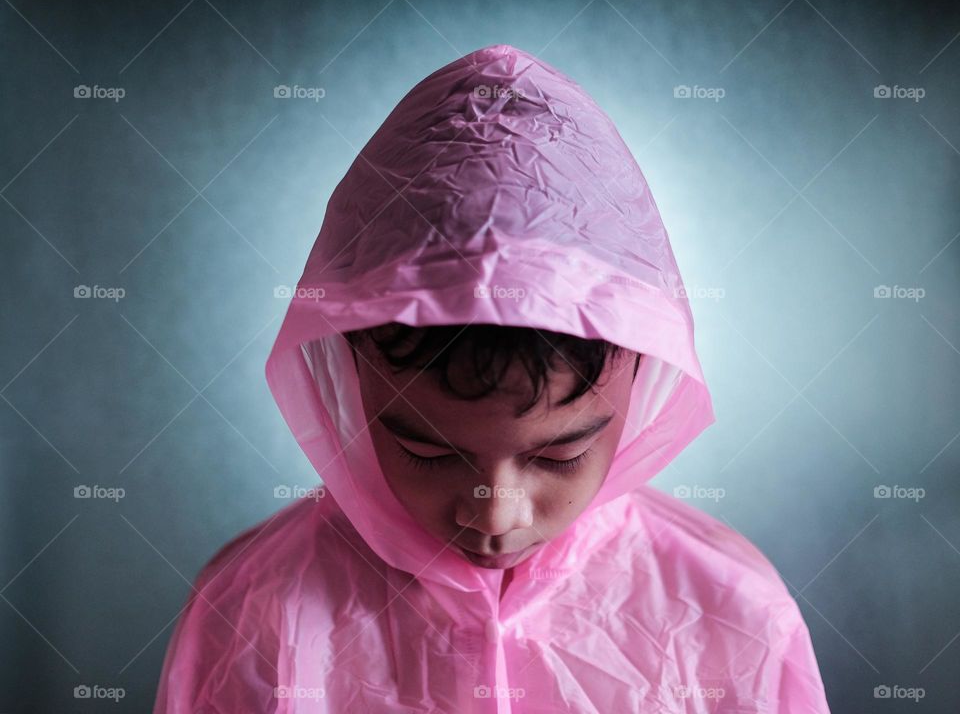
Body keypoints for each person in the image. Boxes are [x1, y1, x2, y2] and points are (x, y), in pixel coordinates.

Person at [153, 44, 831, 713]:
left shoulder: (731, 614)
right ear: (349, 377)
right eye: (427, 451)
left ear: (643, 380)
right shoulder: (254, 611)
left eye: (559, 454)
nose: (493, 513)